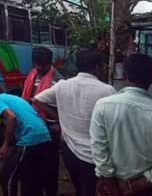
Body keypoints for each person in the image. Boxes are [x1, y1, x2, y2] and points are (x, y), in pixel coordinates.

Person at [90, 54, 152, 196]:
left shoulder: (103, 106)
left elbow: (99, 149)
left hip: (110, 187)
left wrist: (111, 184)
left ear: (125, 75)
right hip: (145, 188)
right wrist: (133, 186)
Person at [34, 50, 116, 196]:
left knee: (79, 187)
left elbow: (37, 100)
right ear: (96, 67)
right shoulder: (107, 90)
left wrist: (59, 118)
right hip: (94, 154)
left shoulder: (62, 85)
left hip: (69, 150)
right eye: (103, 66)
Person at [0, 84, 54, 196]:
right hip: (45, 137)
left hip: (30, 139)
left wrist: (5, 144)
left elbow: (11, 117)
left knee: (7, 176)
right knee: (32, 176)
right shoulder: (16, 98)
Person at [21, 46, 62, 195]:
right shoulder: (32, 75)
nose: (38, 68)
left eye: (41, 65)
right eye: (36, 65)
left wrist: (57, 123)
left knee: (50, 169)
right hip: (32, 128)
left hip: (49, 129)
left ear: (49, 63)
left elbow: (62, 108)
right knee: (33, 169)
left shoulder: (58, 81)